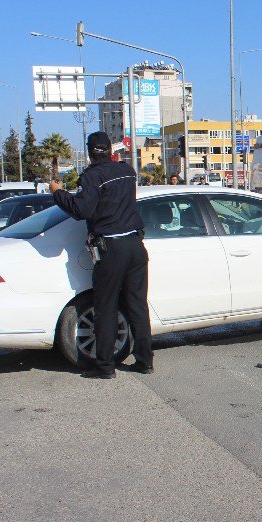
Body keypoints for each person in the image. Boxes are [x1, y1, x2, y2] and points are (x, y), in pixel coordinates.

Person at [51, 131, 153, 379]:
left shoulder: (93, 176)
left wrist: (58, 192)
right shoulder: (128, 172)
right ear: (111, 150)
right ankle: (145, 361)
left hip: (111, 249)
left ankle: (105, 366)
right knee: (138, 305)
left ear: (88, 152)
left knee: (106, 307)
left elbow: (82, 209)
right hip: (135, 247)